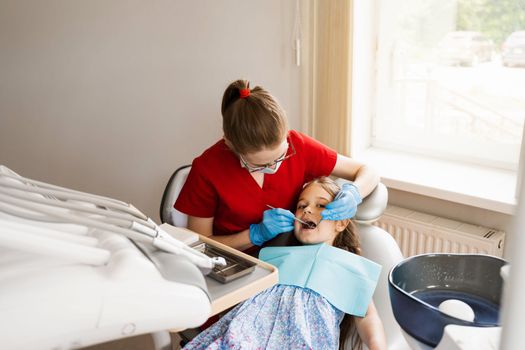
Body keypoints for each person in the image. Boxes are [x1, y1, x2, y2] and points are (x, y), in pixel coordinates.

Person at [182, 177, 387, 350]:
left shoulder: (350, 265)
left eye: (320, 205)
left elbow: (367, 316)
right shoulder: (275, 256)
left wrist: (377, 346)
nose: (307, 211)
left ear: (341, 222)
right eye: (301, 206)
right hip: (249, 334)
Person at [175, 79, 379, 251]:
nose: (274, 167)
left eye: (280, 157)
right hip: (237, 264)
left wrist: (354, 192)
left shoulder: (298, 145)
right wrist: (253, 235)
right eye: (259, 165)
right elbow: (198, 245)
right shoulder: (207, 169)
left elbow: (367, 171)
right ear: (230, 144)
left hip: (288, 257)